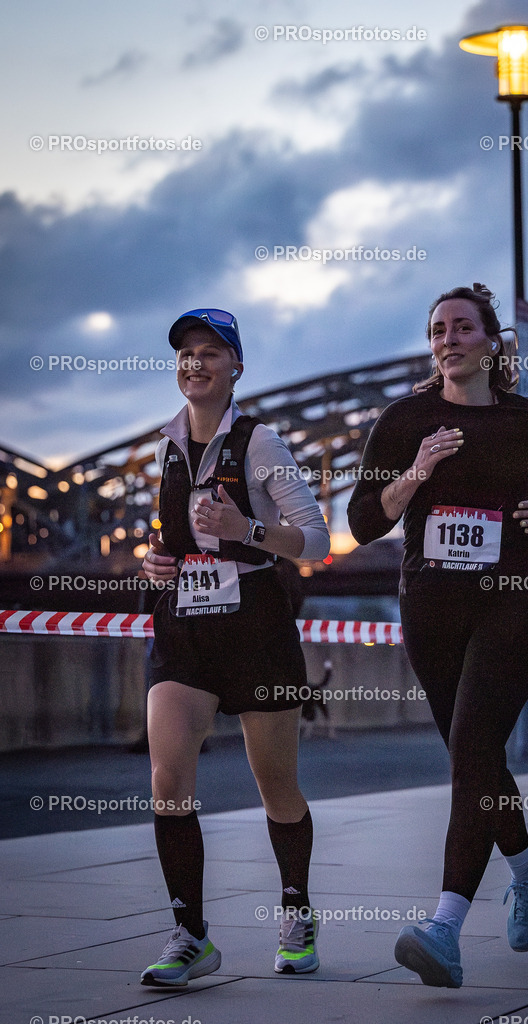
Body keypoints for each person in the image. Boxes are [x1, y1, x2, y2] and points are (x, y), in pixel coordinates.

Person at [347, 283, 528, 989]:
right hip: (433, 606)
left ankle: (443, 926)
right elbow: (362, 522)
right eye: (438, 329)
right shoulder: (405, 418)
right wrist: (416, 473)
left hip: (514, 599)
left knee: (472, 750)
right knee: (474, 760)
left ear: (491, 341)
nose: (449, 339)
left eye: (463, 328)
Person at [140, 308, 330, 986]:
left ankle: (296, 911)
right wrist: (156, 563)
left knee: (275, 784)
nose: (196, 363)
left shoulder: (260, 444)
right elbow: (168, 541)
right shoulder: (163, 447)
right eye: (187, 353)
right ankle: (190, 933)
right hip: (184, 624)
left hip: (256, 625)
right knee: (167, 782)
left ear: (236, 367)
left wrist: (245, 527)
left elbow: (316, 542)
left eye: (211, 352)